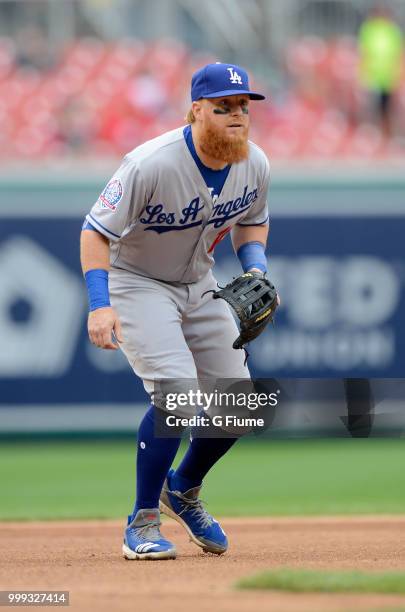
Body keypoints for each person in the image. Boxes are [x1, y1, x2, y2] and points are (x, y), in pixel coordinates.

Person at [80, 62, 270, 560]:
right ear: (196, 111)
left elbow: (253, 221)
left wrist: (257, 269)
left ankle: (182, 488)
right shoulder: (152, 162)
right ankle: (141, 521)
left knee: (240, 406)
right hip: (136, 282)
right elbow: (94, 232)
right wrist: (100, 306)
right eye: (223, 107)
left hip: (197, 282)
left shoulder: (255, 163)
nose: (236, 116)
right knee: (177, 396)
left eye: (243, 107)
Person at [358, 6, 403, 137]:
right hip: (372, 74)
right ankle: (373, 131)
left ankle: (386, 132)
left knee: (387, 106)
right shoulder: (369, 30)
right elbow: (364, 52)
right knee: (372, 106)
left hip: (388, 75)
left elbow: (398, 52)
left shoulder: (392, 30)